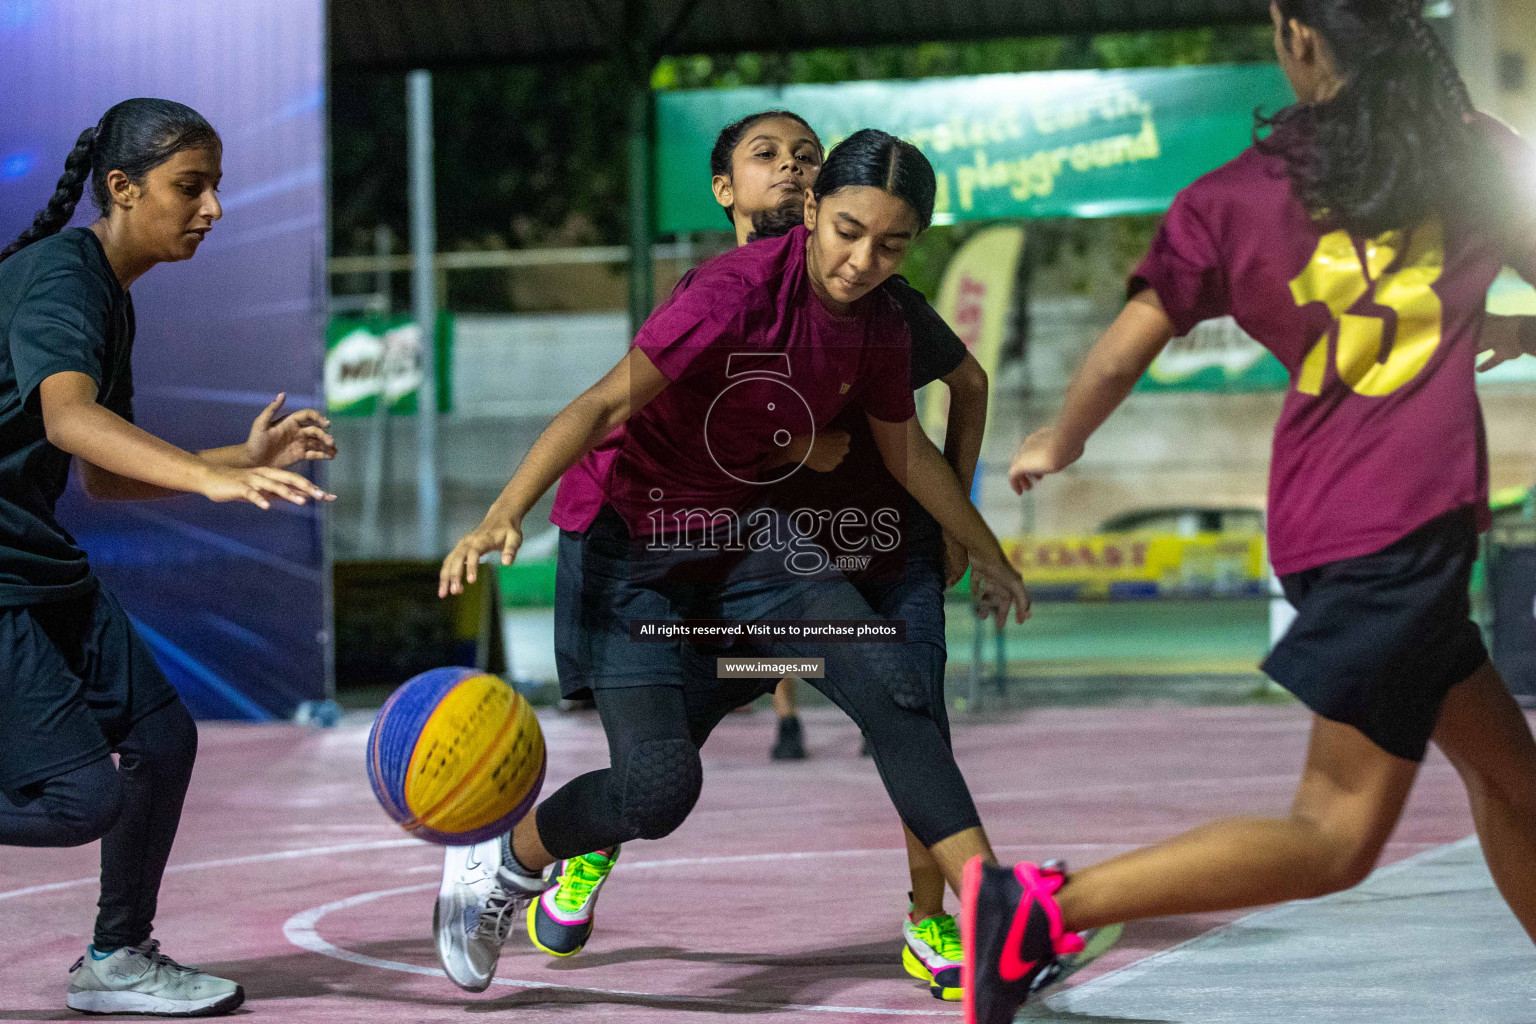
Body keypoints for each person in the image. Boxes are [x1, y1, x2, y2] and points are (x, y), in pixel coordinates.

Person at [961, 4, 1536, 1022]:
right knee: (1334, 835)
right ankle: (1038, 909)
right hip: (1396, 539)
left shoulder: (1232, 197)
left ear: (1298, 34)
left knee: (1517, 780)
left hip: (1336, 527)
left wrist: (1061, 440)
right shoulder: (1473, 159)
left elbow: (1121, 350)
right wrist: (1503, 320)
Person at [430, 129, 1030, 995]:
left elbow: (908, 454)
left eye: (891, 244)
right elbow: (602, 405)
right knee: (659, 790)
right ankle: (507, 860)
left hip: (749, 543)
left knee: (897, 691)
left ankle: (998, 914)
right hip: (635, 550)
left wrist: (987, 548)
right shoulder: (731, 293)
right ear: (815, 209)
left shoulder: (885, 319)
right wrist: (501, 512)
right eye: (849, 231)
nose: (864, 260)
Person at [0, 98, 336, 1017]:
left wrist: (240, 460)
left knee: (158, 737)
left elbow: (105, 476)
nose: (214, 208)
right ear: (121, 186)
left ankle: (116, 959)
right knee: (77, 803)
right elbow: (72, 419)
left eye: (217, 187)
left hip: (33, 556)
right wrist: (204, 478)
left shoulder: (106, 295)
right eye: (191, 187)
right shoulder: (61, 278)